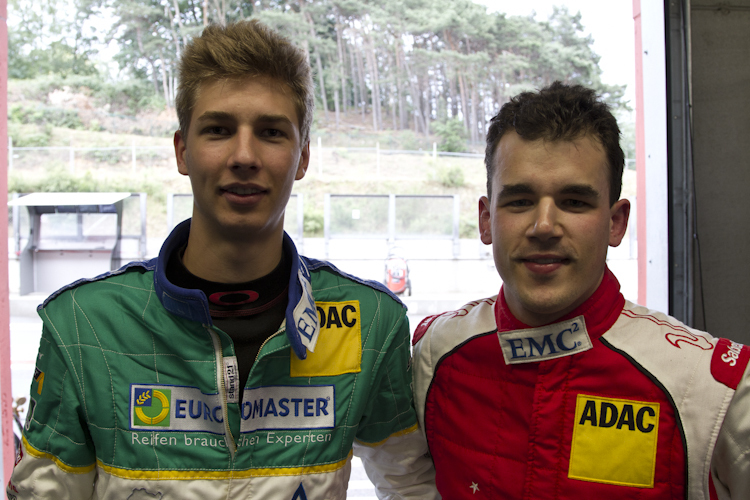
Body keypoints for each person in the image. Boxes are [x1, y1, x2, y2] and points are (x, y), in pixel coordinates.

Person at [8, 20, 437, 500]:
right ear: (183, 150)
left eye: (272, 132)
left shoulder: (372, 322)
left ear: (302, 157)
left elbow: (412, 486)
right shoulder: (84, 325)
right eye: (218, 129)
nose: (244, 155)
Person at [411, 82, 750, 499]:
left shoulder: (716, 387)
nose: (544, 226)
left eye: (574, 201)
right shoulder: (433, 353)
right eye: (519, 201)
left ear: (615, 223)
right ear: (486, 220)